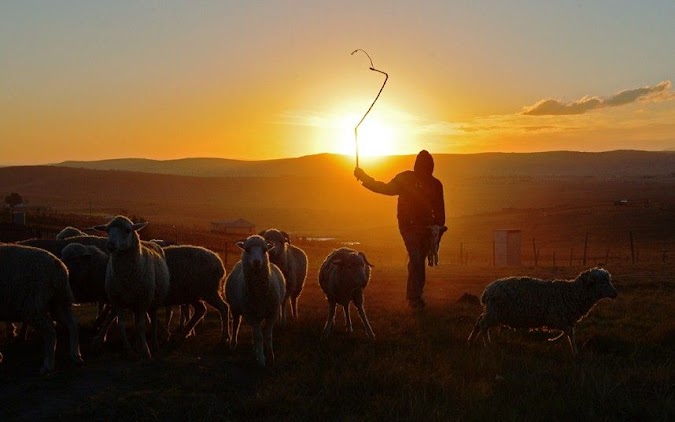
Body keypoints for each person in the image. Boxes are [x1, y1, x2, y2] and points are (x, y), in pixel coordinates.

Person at [354, 150, 445, 309]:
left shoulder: (432, 184)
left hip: (425, 229)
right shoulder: (414, 181)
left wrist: (438, 229)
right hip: (409, 227)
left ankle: (415, 295)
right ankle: (414, 298)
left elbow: (440, 211)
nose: (425, 171)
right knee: (417, 260)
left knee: (418, 261)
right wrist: (364, 177)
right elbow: (385, 188)